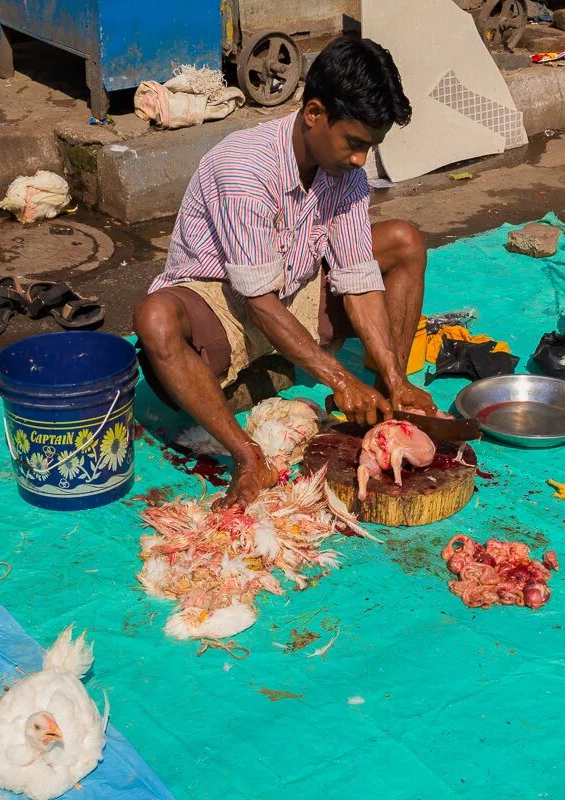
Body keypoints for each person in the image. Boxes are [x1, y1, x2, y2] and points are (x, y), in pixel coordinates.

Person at [133, 35, 435, 508]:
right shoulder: (244, 169)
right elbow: (258, 303)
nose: (361, 160)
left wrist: (395, 378)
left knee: (403, 241)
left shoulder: (347, 174)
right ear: (314, 113)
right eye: (354, 144)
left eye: (369, 148)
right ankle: (248, 455)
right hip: (223, 302)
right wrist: (339, 379)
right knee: (154, 318)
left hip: (294, 285)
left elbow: (357, 277)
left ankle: (383, 400)